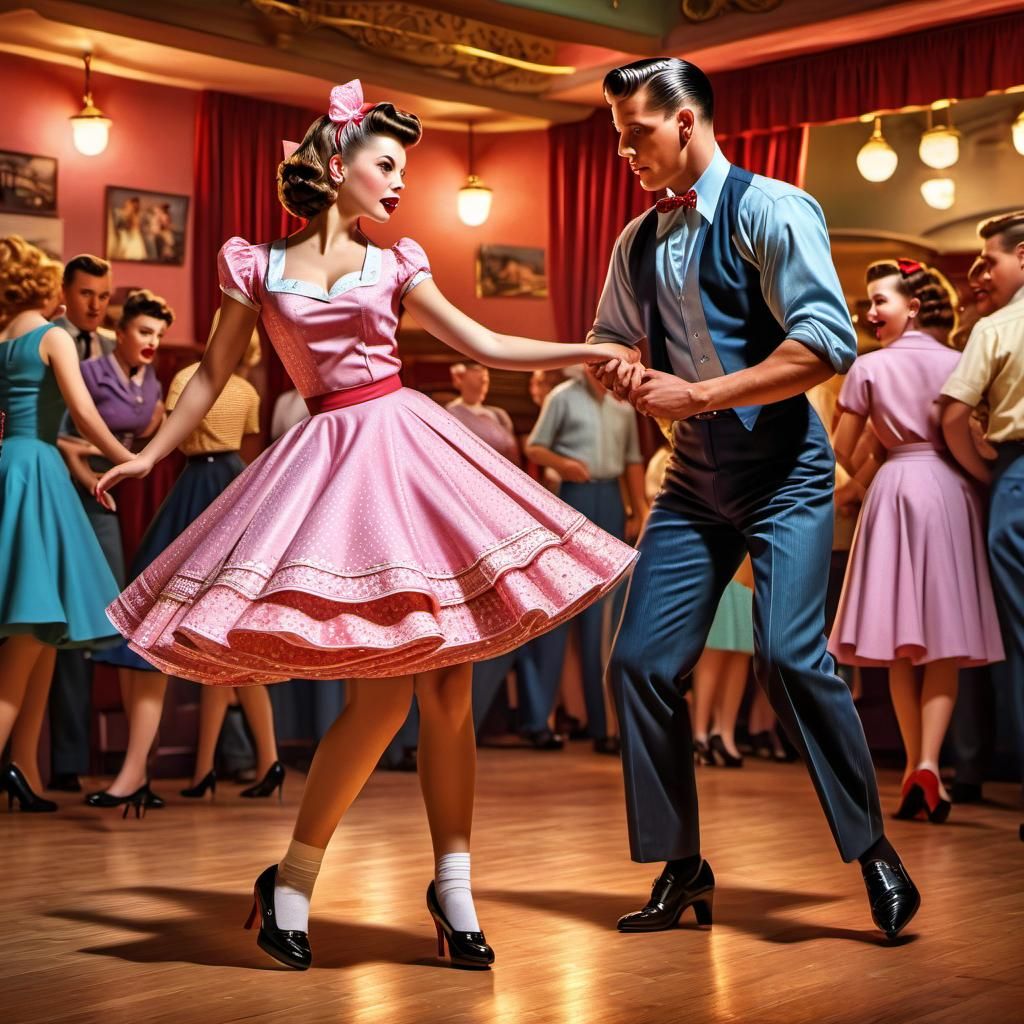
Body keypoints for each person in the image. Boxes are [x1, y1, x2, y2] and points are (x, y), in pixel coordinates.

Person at [95, 80, 638, 971]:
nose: (398, 183)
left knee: (450, 686)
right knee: (383, 695)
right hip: (331, 466)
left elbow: (485, 347)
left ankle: (453, 886)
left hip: (411, 456)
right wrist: (153, 457)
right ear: (335, 163)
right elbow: (208, 377)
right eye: (385, 165)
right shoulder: (256, 267)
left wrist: (589, 348)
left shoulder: (397, 265)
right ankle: (294, 881)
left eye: (403, 170)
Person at [588, 57, 919, 940]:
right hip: (694, 483)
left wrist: (696, 394)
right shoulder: (636, 240)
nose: (626, 151)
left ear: (687, 122)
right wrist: (619, 367)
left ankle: (875, 852)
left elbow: (825, 343)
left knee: (787, 655)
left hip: (784, 474)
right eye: (619, 137)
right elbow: (609, 336)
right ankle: (682, 868)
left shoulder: (772, 208)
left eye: (638, 134)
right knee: (638, 663)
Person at [829, 259, 1003, 823]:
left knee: (900, 640)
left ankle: (911, 768)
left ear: (914, 305)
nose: (871, 312)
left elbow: (839, 451)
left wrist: (878, 449)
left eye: (880, 301)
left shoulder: (868, 368)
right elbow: (975, 434)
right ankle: (929, 765)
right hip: (952, 490)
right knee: (942, 642)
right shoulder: (960, 361)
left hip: (895, 489)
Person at [0, 236, 132, 811]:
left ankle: (22, 769)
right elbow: (83, 413)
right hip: (38, 469)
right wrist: (127, 459)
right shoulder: (52, 336)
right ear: (45, 286)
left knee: (43, 628)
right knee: (32, 629)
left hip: (11, 465)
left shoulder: (3, 340)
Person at [941, 210, 1024, 799]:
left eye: (989, 260)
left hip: (1015, 478)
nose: (980, 275)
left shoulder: (998, 328)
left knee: (1018, 638)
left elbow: (949, 416)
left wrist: (989, 474)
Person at [524, 365, 648, 753]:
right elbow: (534, 446)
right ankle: (537, 721)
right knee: (557, 611)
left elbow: (632, 461)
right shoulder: (562, 397)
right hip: (570, 501)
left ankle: (604, 727)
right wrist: (561, 465)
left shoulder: (623, 407)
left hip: (610, 499)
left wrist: (640, 511)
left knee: (604, 618)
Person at [47, 254, 115, 793]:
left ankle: (88, 757)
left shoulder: (119, 349)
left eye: (104, 295)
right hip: (49, 490)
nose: (96, 304)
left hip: (104, 497)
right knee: (47, 627)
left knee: (100, 622)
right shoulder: (45, 340)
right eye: (87, 293)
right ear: (65, 291)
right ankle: (56, 760)